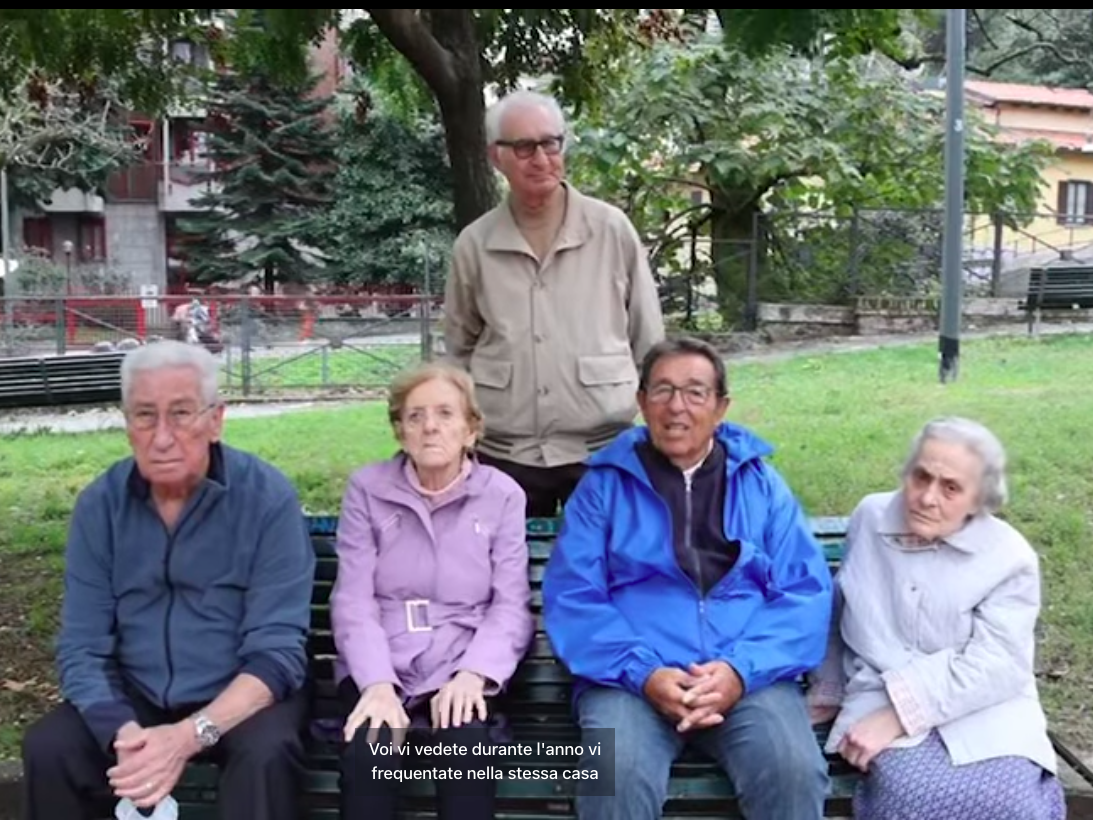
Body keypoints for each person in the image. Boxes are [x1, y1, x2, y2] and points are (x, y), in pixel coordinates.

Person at [20, 340, 316, 820]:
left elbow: (277, 651)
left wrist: (186, 737)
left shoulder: (266, 498)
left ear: (215, 420)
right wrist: (124, 733)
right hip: (136, 694)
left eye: (181, 414)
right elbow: (82, 645)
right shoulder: (101, 505)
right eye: (144, 416)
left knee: (267, 755)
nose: (161, 437)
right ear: (126, 424)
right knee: (50, 748)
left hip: (241, 690)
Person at [542, 336, 833, 820]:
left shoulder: (760, 483)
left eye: (695, 392)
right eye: (662, 390)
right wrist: (645, 673)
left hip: (745, 678)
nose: (677, 406)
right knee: (614, 774)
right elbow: (574, 596)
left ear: (720, 407)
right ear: (641, 403)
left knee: (792, 768)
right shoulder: (603, 486)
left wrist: (740, 670)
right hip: (631, 681)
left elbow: (803, 591)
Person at [807, 417, 1065, 819]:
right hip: (879, 694)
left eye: (951, 488)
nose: (928, 497)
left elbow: (998, 665)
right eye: (921, 477)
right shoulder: (871, 517)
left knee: (1012, 803)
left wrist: (899, 715)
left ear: (980, 499)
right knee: (912, 796)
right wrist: (828, 688)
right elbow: (839, 605)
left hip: (987, 709)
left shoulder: (1009, 557)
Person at [443, 88, 665, 517]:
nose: (541, 158)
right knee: (509, 578)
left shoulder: (611, 229)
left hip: (603, 449)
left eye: (550, 143)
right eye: (524, 147)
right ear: (495, 157)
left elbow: (649, 337)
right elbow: (458, 349)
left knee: (614, 573)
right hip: (504, 453)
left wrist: (657, 428)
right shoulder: (475, 244)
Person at [331, 361, 535, 820]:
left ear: (470, 430)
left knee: (466, 756)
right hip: (382, 661)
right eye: (415, 416)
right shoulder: (367, 489)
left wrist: (472, 675)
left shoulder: (502, 495)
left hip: (461, 662)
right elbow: (353, 600)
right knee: (370, 754)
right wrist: (377, 683)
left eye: (445, 413)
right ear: (400, 431)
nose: (430, 427)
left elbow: (510, 606)